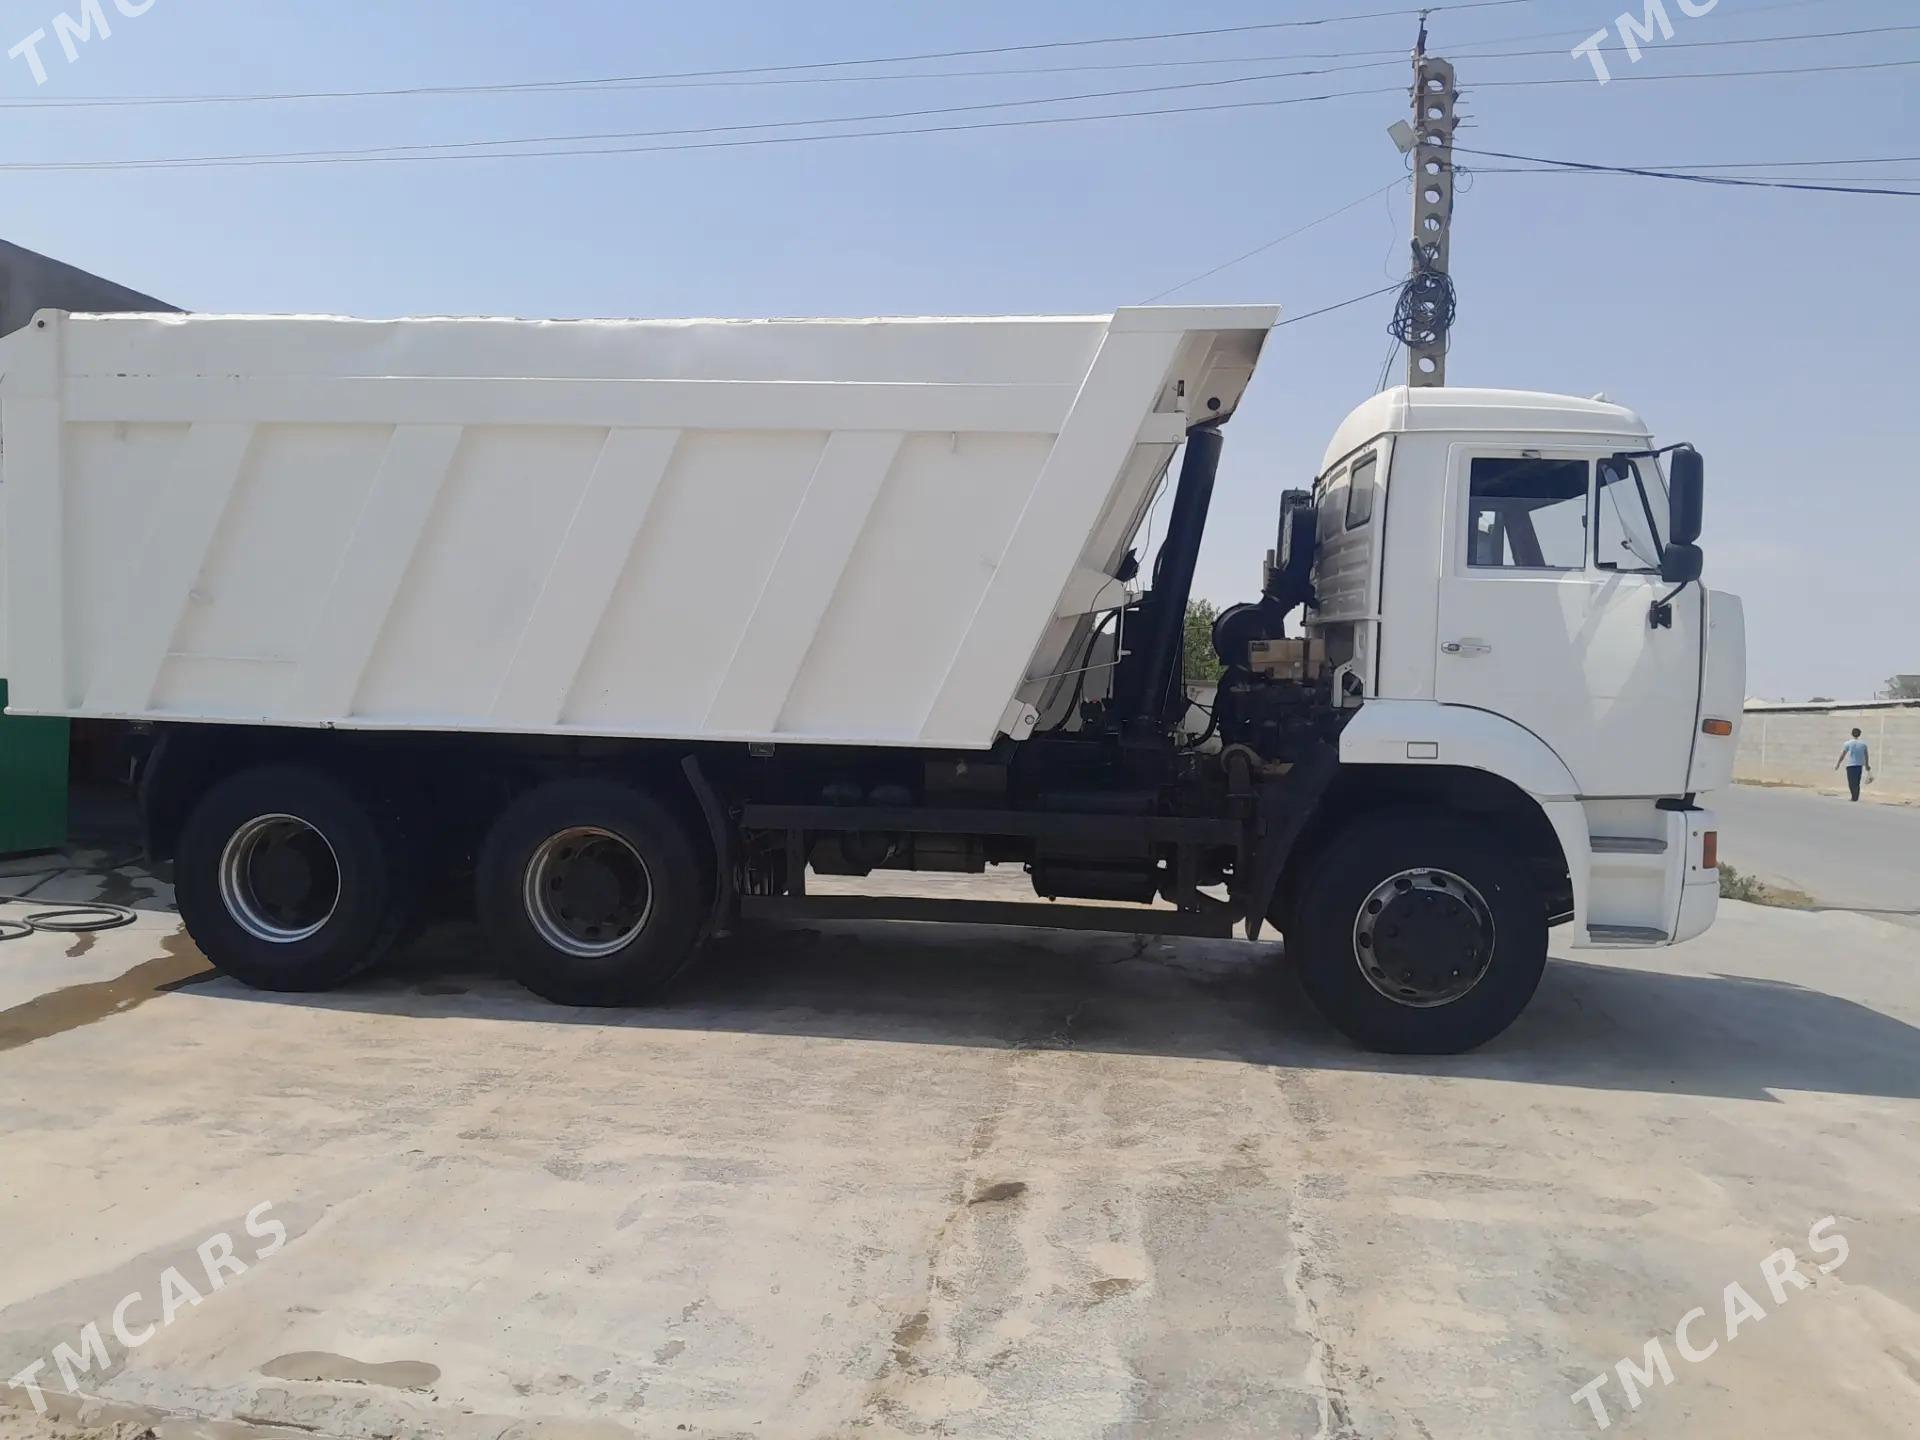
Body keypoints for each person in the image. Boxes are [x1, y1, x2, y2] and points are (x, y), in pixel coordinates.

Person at [1835, 728, 1872, 802]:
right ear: (1859, 734)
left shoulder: (1848, 743)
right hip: (1859, 765)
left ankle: (1853, 796)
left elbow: (1843, 754)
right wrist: (1867, 765)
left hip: (1850, 765)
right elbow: (1866, 755)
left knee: (1851, 782)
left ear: (1852, 734)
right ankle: (1856, 797)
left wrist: (1838, 763)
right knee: (1857, 782)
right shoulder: (1863, 744)